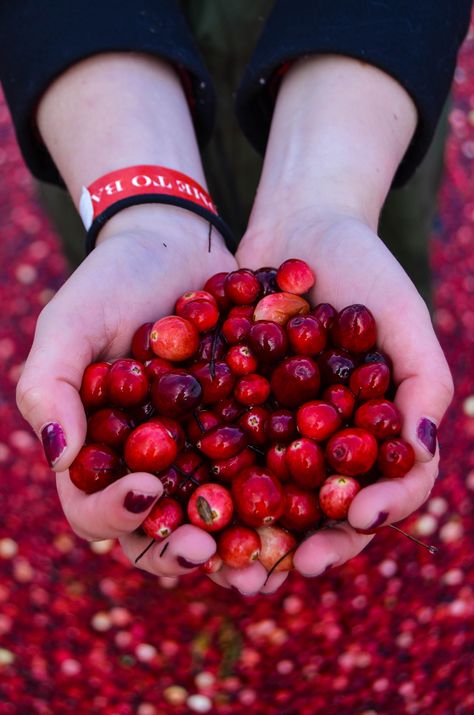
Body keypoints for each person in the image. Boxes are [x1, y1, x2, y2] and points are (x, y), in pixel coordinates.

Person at [0, 1, 470, 595]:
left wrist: (329, 197)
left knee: (386, 274)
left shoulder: (268, 378)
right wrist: (143, 207)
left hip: (363, 115)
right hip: (105, 108)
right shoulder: (243, 385)